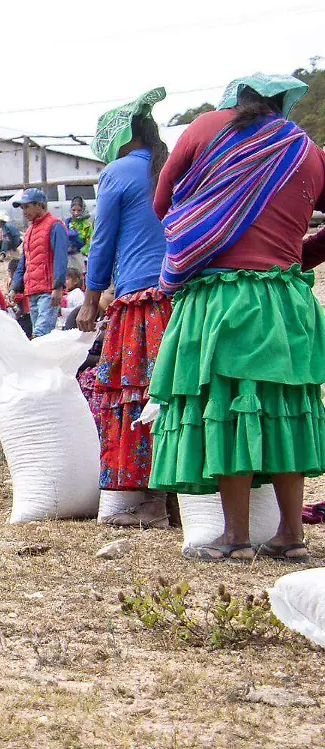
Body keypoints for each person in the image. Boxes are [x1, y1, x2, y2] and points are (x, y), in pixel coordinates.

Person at [148, 73, 325, 561]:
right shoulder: (306, 149)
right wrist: (298, 256)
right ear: (282, 105)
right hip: (287, 301)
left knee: (227, 406)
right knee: (283, 408)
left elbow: (163, 204)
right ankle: (291, 535)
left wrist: (205, 230)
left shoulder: (205, 128)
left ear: (236, 100)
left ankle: (235, 537)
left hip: (222, 298)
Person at [76, 87, 175, 526]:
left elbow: (103, 241)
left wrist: (90, 299)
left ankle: (150, 503)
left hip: (139, 303)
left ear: (119, 139)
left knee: (138, 396)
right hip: (182, 297)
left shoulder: (118, 172)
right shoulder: (170, 165)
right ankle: (183, 501)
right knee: (176, 395)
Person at [9, 188, 69, 337]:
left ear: (39, 205)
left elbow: (61, 258)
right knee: (39, 335)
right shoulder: (29, 231)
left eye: (26, 207)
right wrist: (15, 287)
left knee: (41, 334)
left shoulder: (55, 225)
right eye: (22, 208)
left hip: (48, 291)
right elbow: (25, 262)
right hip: (32, 291)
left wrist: (58, 286)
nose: (24, 211)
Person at [65, 196, 94, 273]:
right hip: (67, 257)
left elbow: (89, 243)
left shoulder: (87, 225)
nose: (76, 213)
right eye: (73, 210)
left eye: (79, 210)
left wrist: (81, 251)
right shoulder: (67, 223)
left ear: (83, 210)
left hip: (80, 257)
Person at [6, 257, 33, 338]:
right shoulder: (10, 281)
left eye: (10, 271)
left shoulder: (23, 281)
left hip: (26, 311)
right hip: (18, 310)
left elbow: (24, 295)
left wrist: (12, 300)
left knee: (26, 333)